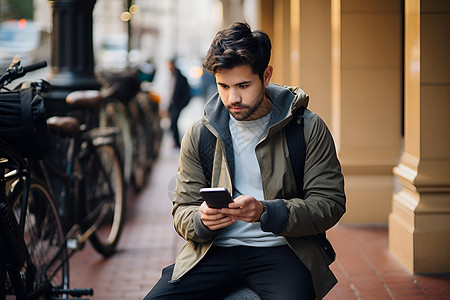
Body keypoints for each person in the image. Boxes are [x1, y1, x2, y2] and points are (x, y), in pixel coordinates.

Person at [143, 22, 345, 300]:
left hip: (281, 251)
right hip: (213, 251)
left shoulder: (307, 128)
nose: (232, 98)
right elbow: (182, 210)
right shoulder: (200, 132)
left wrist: (266, 211)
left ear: (266, 75)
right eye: (223, 86)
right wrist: (201, 219)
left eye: (243, 85)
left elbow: (330, 204)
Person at [167, 59, 191, 148]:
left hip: (177, 105)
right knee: (172, 123)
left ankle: (177, 142)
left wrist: (181, 104)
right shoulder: (170, 77)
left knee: (173, 122)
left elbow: (186, 94)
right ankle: (175, 141)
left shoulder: (181, 78)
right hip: (171, 104)